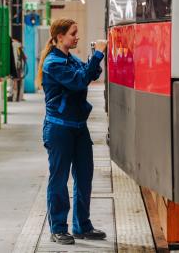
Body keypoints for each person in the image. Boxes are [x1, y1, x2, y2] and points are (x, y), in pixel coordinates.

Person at [36, 18, 107, 245]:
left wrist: (94, 58)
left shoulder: (70, 59)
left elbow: (90, 75)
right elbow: (78, 82)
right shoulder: (53, 63)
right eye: (73, 34)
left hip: (78, 128)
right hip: (59, 128)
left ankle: (81, 225)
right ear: (59, 37)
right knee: (59, 179)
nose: (77, 37)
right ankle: (58, 228)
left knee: (84, 176)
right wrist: (97, 56)